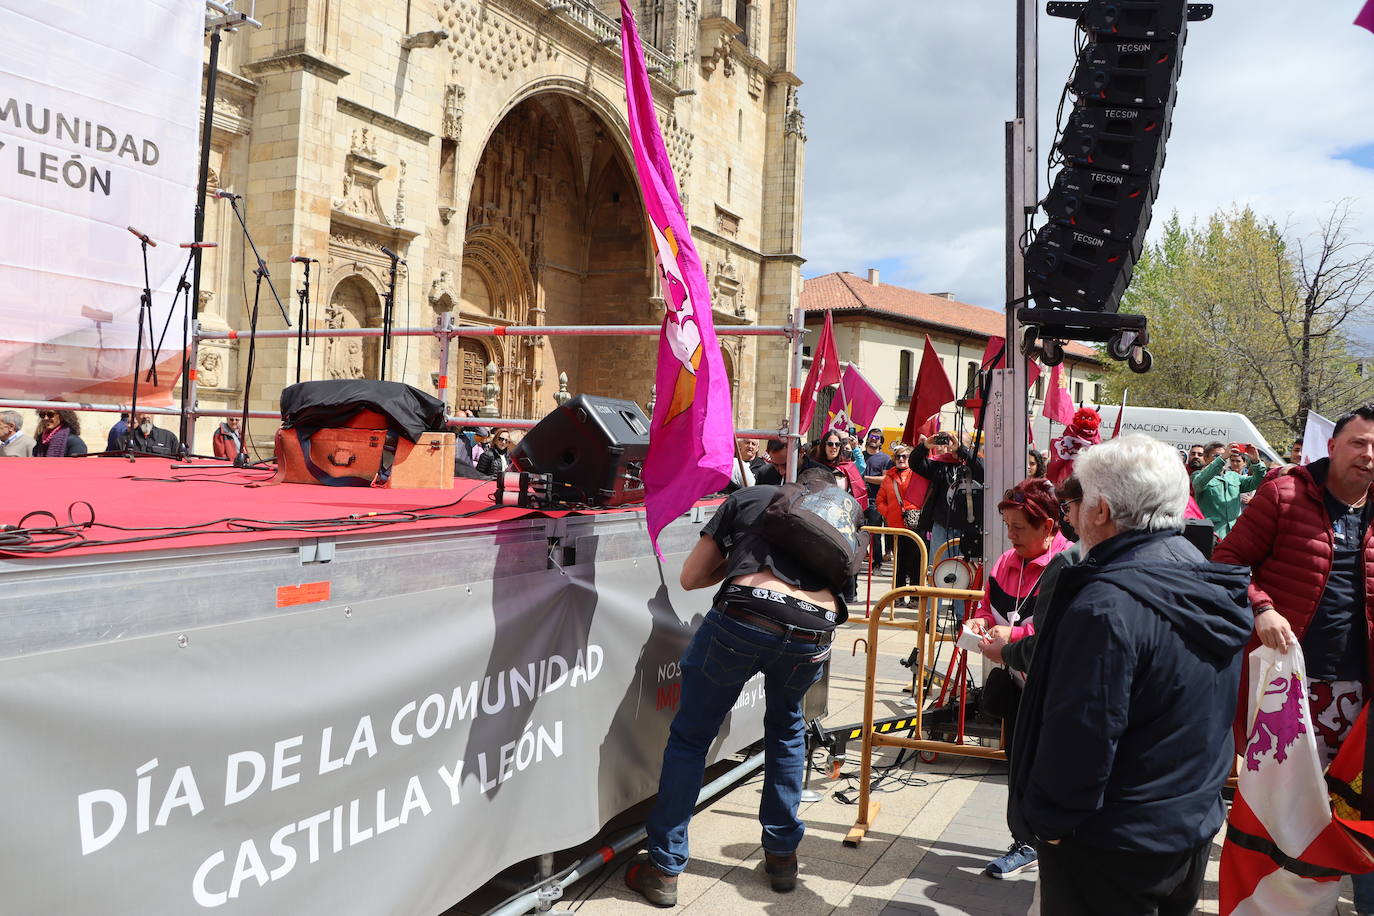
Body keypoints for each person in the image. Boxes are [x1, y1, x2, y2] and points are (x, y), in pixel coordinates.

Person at [1008, 434, 1250, 915]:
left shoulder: (1106, 604)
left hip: (1112, 843)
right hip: (1184, 822)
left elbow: (1083, 732)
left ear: (1100, 511)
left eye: (1078, 500)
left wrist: (1051, 824)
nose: (1070, 514)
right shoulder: (1197, 570)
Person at [626, 468, 852, 906]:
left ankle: (664, 869)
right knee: (787, 730)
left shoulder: (750, 496)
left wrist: (739, 562)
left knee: (692, 738)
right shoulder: (839, 517)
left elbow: (691, 577)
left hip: (746, 612)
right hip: (814, 629)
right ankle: (782, 856)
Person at [1213, 404, 1374, 915]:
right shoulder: (1284, 494)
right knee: (1284, 811)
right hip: (1292, 688)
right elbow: (1228, 562)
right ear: (1333, 445)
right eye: (1359, 443)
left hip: (1361, 695)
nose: (1369, 457)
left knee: (1355, 814)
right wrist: (1261, 608)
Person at [969, 477, 1071, 880]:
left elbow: (1062, 632)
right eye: (1008, 526)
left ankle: (1051, 845)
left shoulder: (1067, 566)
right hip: (1016, 685)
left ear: (1048, 526)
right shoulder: (1003, 562)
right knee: (1019, 765)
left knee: (1052, 769)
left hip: (1056, 689)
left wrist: (1013, 639)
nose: (1010, 536)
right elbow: (984, 607)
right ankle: (1027, 841)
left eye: (1019, 528)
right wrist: (978, 622)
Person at [910, 431, 982, 557]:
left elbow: (983, 470)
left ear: (970, 447)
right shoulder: (941, 465)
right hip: (943, 527)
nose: (954, 446)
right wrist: (925, 446)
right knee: (940, 570)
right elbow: (915, 464)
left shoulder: (977, 465)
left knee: (966, 572)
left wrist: (961, 451)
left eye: (960, 443)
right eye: (953, 442)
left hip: (969, 529)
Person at [1191, 441, 1265, 538]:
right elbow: (1198, 484)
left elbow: (1258, 481)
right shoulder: (1198, 475)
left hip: (1234, 533)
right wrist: (1222, 458)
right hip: (1212, 533)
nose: (1224, 459)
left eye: (1225, 455)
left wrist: (1256, 461)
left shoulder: (1233, 476)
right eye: (1216, 456)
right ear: (1205, 458)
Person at [875, 445, 922, 591]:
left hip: (914, 526)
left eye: (905, 456)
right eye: (898, 457)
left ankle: (915, 596)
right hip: (896, 526)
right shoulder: (888, 478)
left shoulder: (917, 474)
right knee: (899, 563)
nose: (901, 459)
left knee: (915, 563)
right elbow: (880, 501)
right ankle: (898, 596)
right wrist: (889, 513)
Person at [860, 429, 894, 566]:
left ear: (881, 441)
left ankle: (877, 563)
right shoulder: (860, 456)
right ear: (867, 439)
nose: (874, 439)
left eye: (877, 437)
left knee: (876, 534)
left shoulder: (885, 458)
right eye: (872, 436)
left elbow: (885, 479)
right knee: (859, 532)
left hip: (876, 500)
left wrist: (865, 478)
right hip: (859, 499)